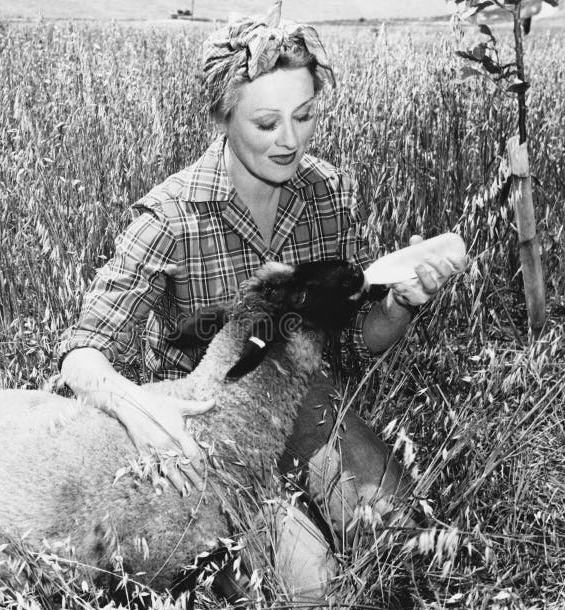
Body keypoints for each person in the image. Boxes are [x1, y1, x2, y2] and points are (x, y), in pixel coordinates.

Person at [56, 2, 464, 510]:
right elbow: (81, 354)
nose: (290, 141)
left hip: (301, 402)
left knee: (396, 528)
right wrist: (134, 407)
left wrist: (401, 304)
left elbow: (353, 343)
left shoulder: (326, 192)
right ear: (221, 118)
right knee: (306, 586)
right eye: (267, 123)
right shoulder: (171, 217)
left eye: (305, 116)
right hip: (208, 433)